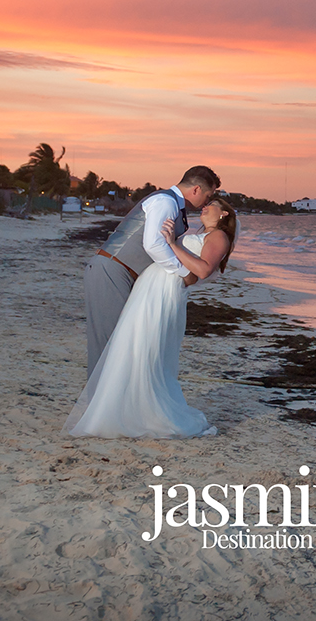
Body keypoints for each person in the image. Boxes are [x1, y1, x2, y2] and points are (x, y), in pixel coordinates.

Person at [64, 197, 239, 438]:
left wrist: (171, 244)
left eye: (212, 205)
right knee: (134, 344)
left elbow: (203, 269)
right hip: (152, 287)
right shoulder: (205, 234)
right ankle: (127, 407)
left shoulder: (219, 236)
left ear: (224, 214)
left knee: (146, 346)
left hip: (164, 291)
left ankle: (144, 411)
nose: (205, 207)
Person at [82, 166, 220, 377]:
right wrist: (184, 273)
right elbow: (154, 245)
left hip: (124, 275)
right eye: (208, 196)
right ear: (196, 189)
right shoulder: (165, 202)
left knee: (123, 346)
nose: (207, 202)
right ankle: (98, 408)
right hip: (111, 270)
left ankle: (116, 405)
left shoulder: (174, 205)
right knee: (108, 346)